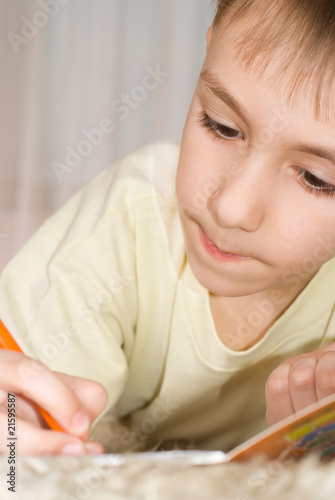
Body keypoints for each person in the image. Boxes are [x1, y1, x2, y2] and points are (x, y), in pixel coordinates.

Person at [2, 0, 335, 456]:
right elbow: (20, 430)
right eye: (220, 126)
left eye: (316, 179)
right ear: (208, 49)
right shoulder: (125, 226)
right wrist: (18, 430)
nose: (231, 208)